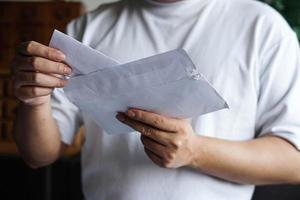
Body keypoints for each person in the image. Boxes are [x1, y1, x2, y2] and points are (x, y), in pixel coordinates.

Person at [11, 0, 300, 199]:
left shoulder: (263, 28)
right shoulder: (87, 29)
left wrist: (195, 151)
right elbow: (39, 155)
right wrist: (33, 100)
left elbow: (293, 161)